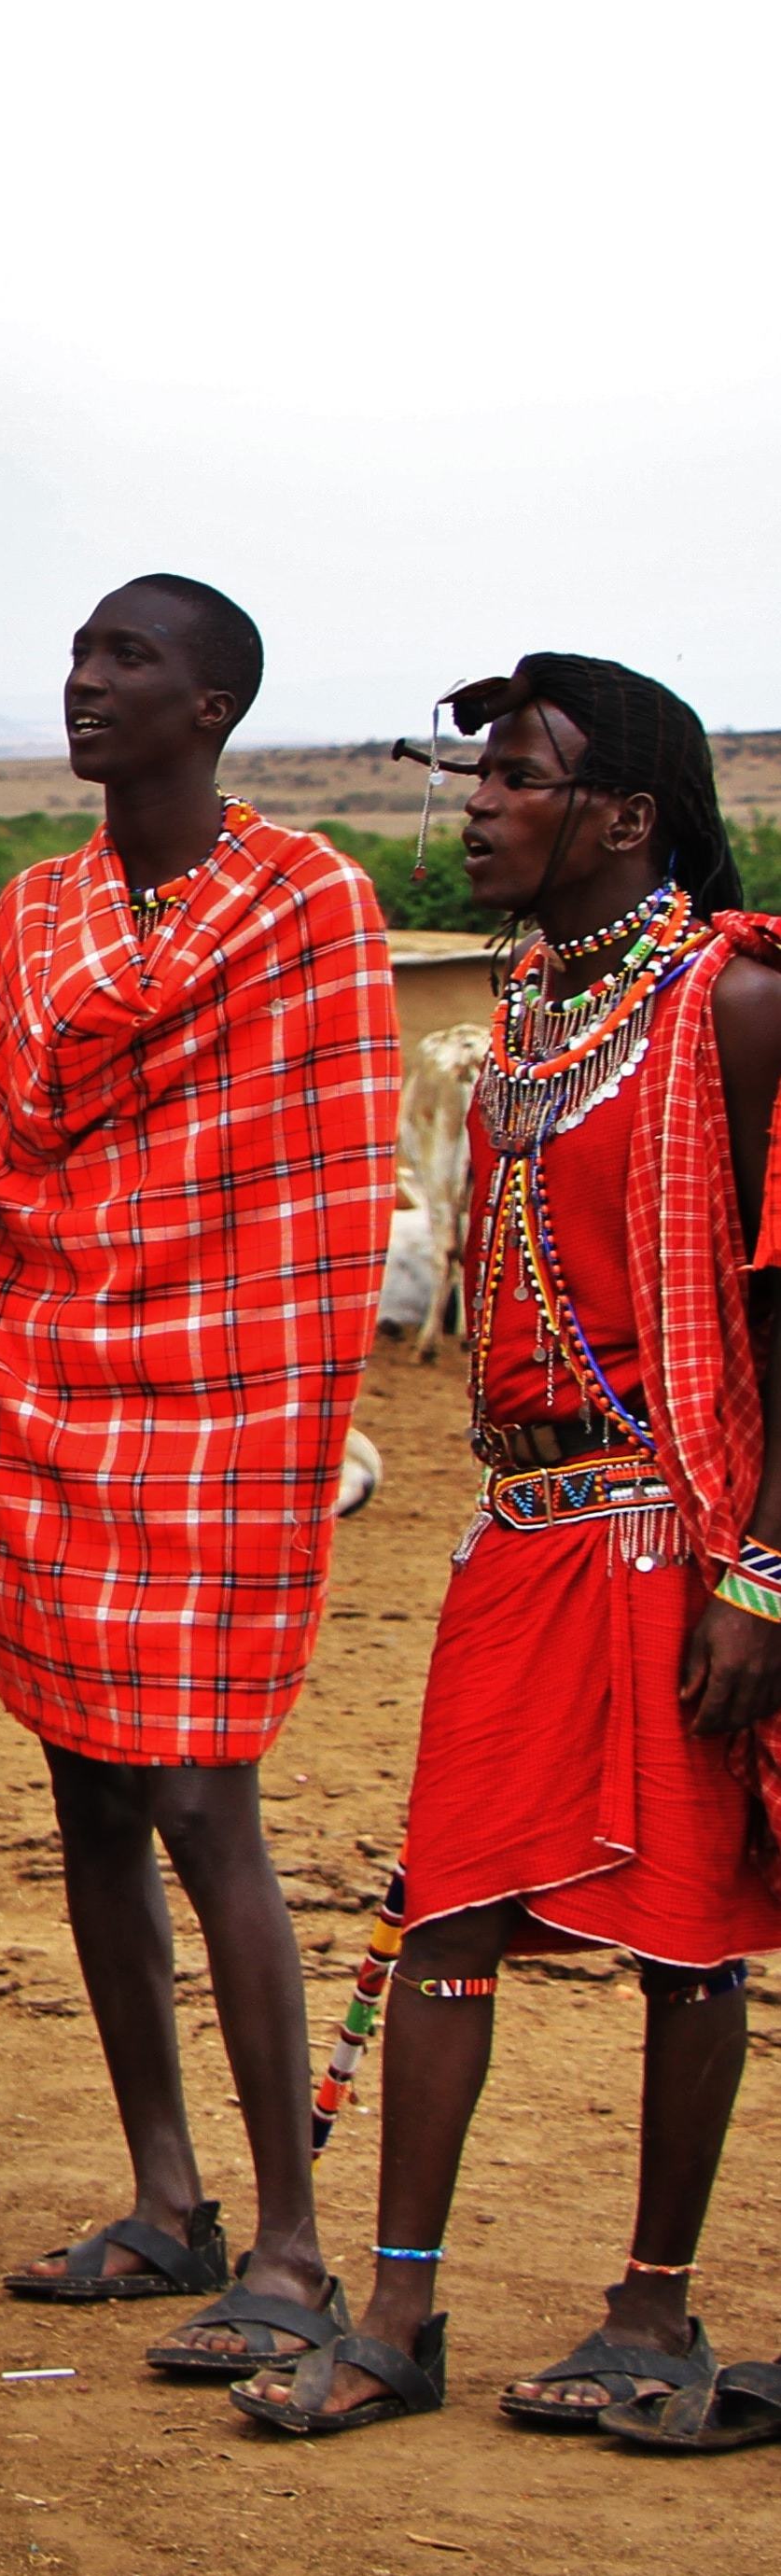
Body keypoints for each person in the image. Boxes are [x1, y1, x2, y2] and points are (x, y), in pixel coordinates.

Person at [242, 656, 781, 2442]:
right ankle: (395, 2312)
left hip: (675, 1525)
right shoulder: (533, 1021)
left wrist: (756, 1579)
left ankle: (649, 2310)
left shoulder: (733, 1003)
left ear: (621, 817)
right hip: (522, 1526)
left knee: (682, 1931)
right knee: (447, 1904)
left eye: (515, 777)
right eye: (470, 773)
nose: (472, 804)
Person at [0, 577, 397, 2378]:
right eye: (75, 655)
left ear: (209, 703)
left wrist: (206, 1347)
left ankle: (286, 2244)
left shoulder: (309, 902)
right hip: (48, 1391)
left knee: (204, 1807)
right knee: (84, 1801)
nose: (83, 686)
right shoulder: (35, 905)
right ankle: (163, 2199)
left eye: (123, 661)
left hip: (220, 1405)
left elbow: (320, 1179)